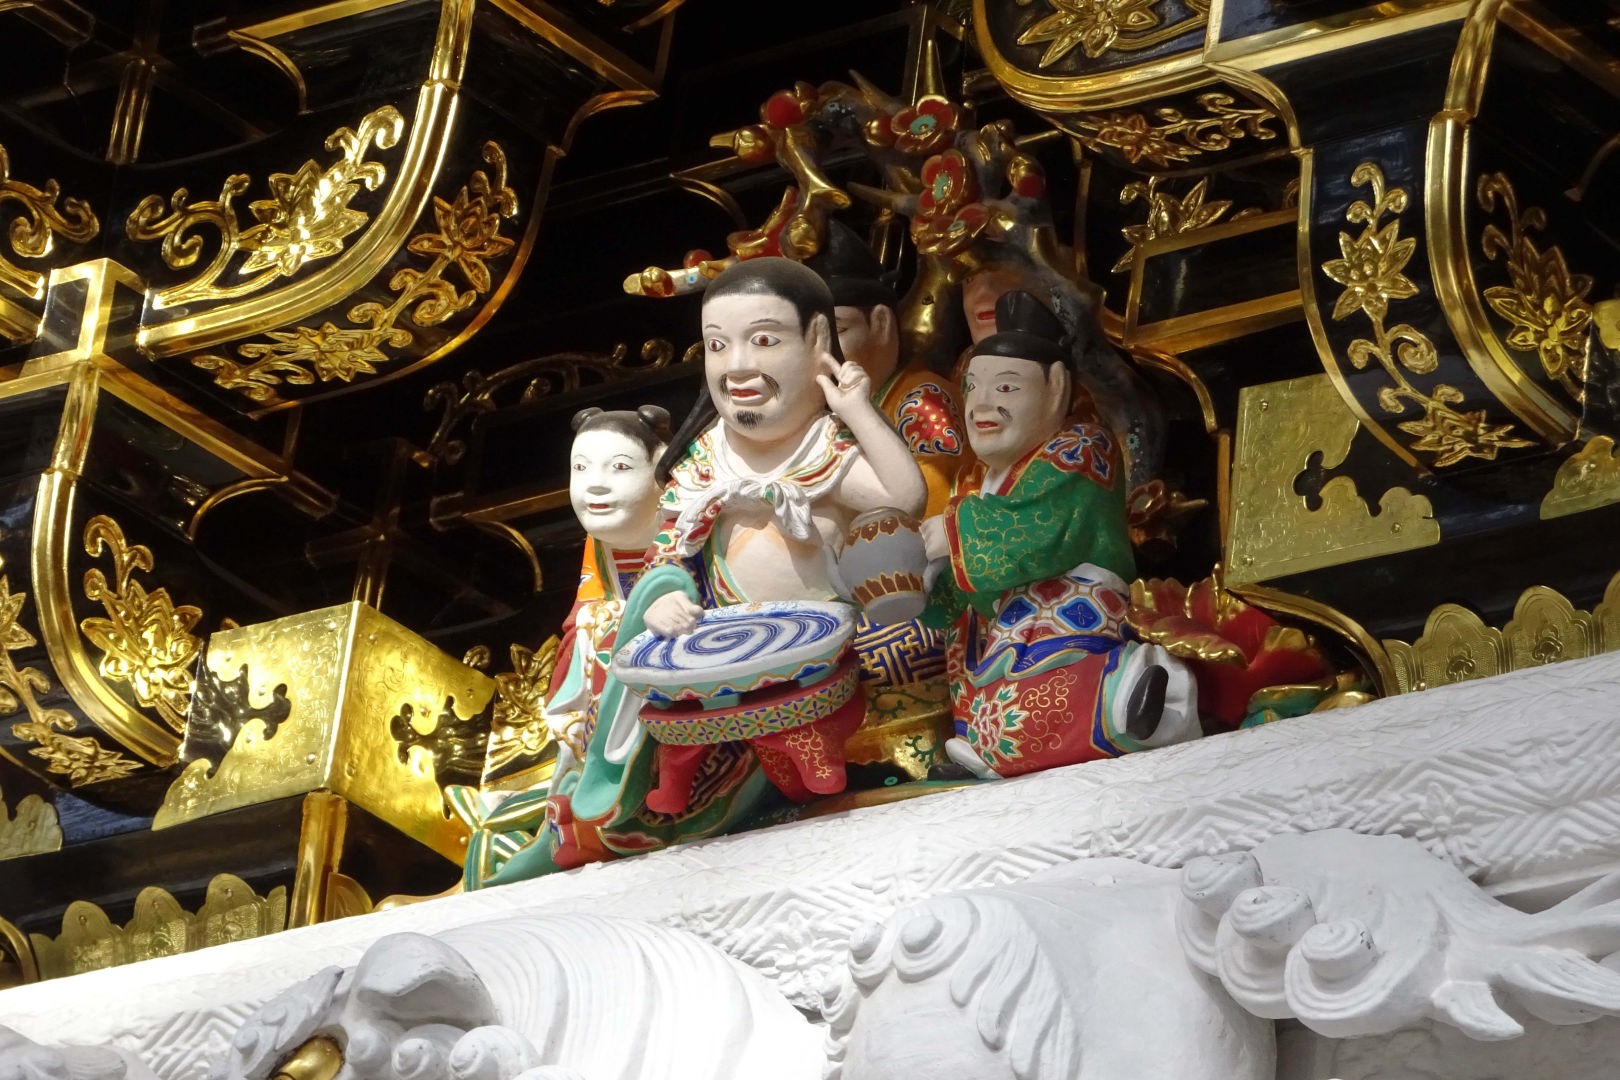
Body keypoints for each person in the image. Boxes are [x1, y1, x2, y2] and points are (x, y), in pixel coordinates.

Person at [920, 290, 1200, 779]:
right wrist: (923, 579)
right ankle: (991, 753)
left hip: (1073, 603)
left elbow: (1039, 533)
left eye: (1006, 388)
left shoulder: (1081, 447)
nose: (981, 404)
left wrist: (952, 532)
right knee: (997, 700)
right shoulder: (974, 481)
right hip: (1010, 621)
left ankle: (1136, 694)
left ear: (1055, 387)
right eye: (972, 388)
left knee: (1040, 690)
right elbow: (977, 584)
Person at [806, 220, 968, 516]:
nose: (825, 351)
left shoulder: (922, 400)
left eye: (838, 331)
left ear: (880, 323)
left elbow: (931, 499)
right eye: (813, 339)